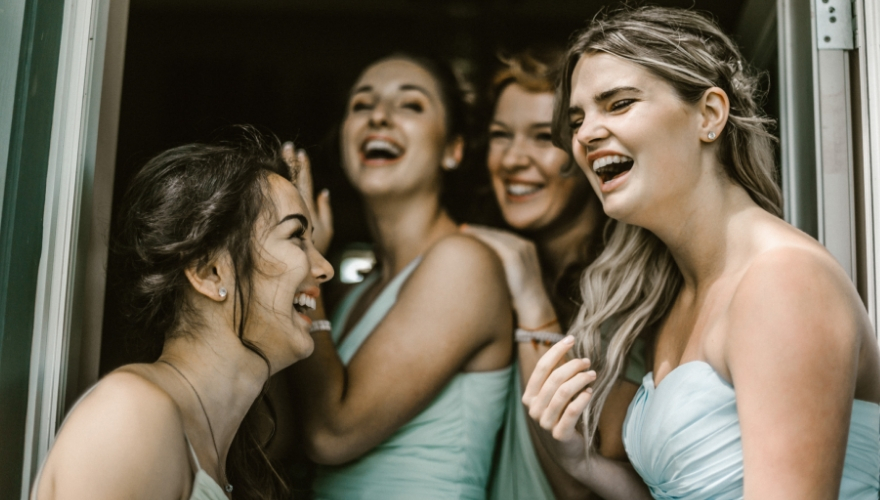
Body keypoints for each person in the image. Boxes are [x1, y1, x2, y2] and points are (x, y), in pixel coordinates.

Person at [525, 6, 880, 499]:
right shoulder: (679, 296)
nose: (585, 134)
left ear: (709, 115)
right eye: (578, 119)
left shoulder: (783, 280)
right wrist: (579, 461)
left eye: (620, 103)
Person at [30, 131, 334, 500]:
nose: (325, 268)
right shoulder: (131, 416)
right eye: (297, 237)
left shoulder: (225, 452)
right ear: (210, 272)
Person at [286, 54, 514, 499]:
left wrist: (303, 262)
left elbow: (332, 434)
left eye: (410, 105)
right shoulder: (355, 292)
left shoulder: (463, 264)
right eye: (361, 105)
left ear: (453, 149)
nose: (379, 117)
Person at [465, 49, 649, 500]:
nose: (512, 159)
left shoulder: (633, 287)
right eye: (500, 136)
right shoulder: (478, 265)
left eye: (544, 137)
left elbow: (581, 483)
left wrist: (532, 304)